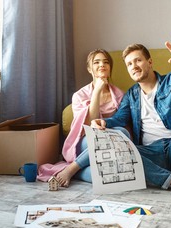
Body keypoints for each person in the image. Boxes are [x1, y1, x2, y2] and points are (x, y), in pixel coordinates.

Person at [91, 35, 171, 202]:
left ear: (149, 62)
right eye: (129, 64)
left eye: (138, 61)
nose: (134, 66)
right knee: (116, 151)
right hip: (150, 153)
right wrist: (105, 122)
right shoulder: (131, 95)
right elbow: (120, 118)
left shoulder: (170, 82)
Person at [37, 49, 126, 186]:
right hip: (85, 143)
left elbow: (124, 123)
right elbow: (91, 123)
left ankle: (74, 170)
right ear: (90, 68)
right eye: (96, 62)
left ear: (110, 67)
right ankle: (72, 169)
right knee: (101, 139)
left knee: (121, 136)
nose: (102, 65)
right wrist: (97, 91)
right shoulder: (79, 95)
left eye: (106, 62)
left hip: (111, 144)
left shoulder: (120, 95)